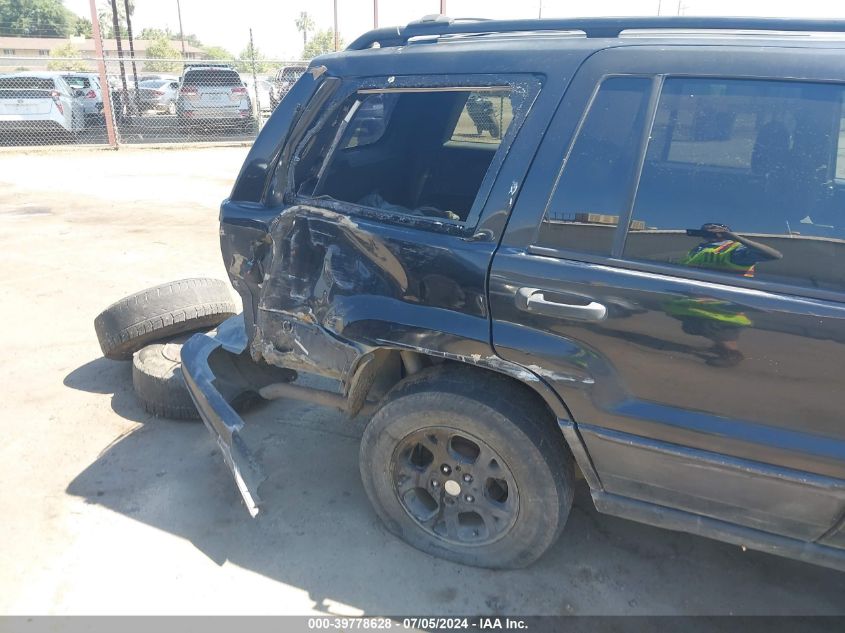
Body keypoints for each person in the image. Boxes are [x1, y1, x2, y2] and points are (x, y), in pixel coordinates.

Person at [664, 223, 783, 367]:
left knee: (720, 332)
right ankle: (719, 346)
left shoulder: (733, 251)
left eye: (715, 229)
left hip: (722, 308)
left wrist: (733, 238)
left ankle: (733, 355)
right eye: (706, 229)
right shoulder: (698, 250)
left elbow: (774, 255)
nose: (709, 230)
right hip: (700, 304)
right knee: (700, 327)